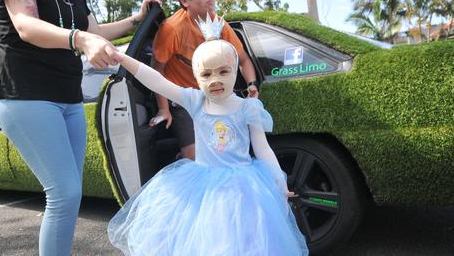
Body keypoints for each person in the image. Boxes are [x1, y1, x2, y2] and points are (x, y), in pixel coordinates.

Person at [0, 0, 155, 255]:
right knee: (64, 193)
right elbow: (26, 25)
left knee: (68, 195)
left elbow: (97, 29)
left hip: (68, 98)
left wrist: (137, 19)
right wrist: (79, 39)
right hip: (26, 95)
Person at [107, 15, 308, 256]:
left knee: (245, 243)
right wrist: (122, 58)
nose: (215, 81)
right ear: (196, 76)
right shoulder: (196, 100)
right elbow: (158, 81)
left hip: (243, 188)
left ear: (236, 69)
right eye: (206, 74)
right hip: (202, 186)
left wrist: (278, 179)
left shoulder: (248, 107)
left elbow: (262, 148)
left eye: (223, 71)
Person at [150, 0, 259, 160]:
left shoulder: (220, 25)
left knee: (227, 150)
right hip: (184, 98)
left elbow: (243, 61)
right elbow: (156, 71)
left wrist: (252, 85)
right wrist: (163, 108)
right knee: (195, 158)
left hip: (217, 94)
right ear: (184, 0)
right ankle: (184, 160)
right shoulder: (172, 30)